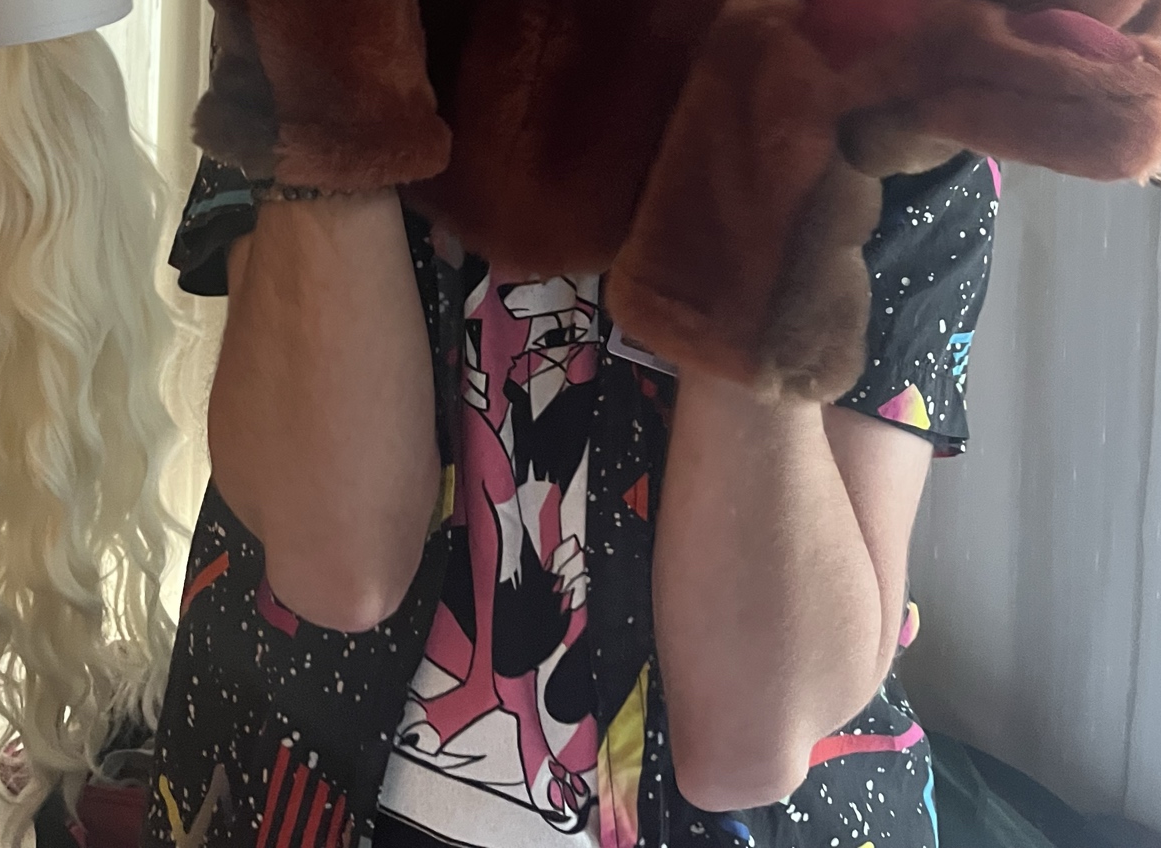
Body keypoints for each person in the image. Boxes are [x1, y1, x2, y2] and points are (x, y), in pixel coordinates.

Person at [142, 140, 997, 848]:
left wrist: (762, 124)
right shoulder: (309, 1)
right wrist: (336, 56)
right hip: (280, 789)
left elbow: (751, 739)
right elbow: (338, 566)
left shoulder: (894, 83)